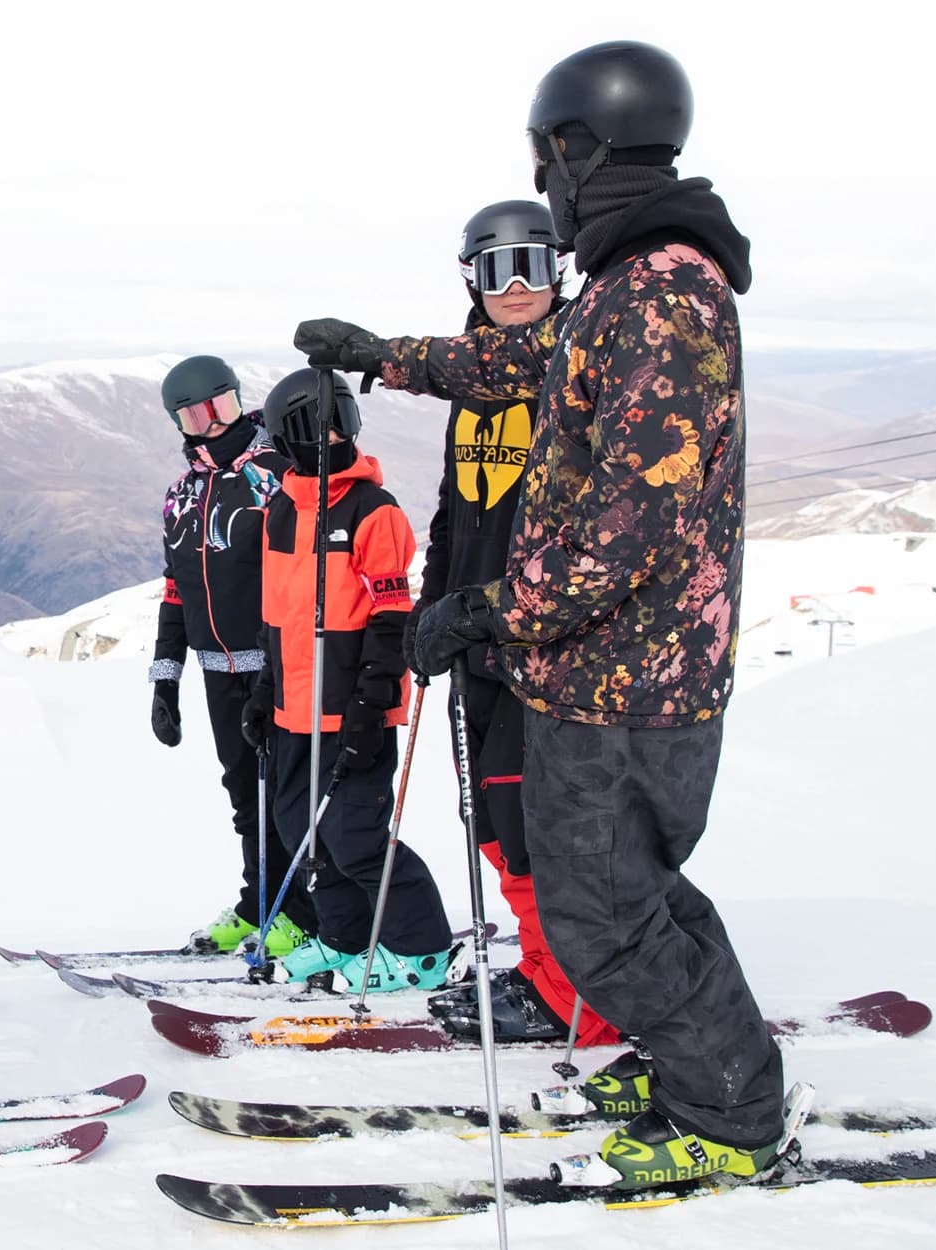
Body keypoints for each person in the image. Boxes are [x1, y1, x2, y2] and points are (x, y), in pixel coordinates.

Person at [298, 41, 781, 1185]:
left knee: (599, 911)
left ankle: (730, 1115)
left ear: (576, 150)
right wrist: (386, 361)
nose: (547, 193)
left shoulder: (658, 293)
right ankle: (699, 1063)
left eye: (546, 163)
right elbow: (518, 364)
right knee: (634, 891)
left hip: (625, 672)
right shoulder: (630, 283)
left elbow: (629, 523)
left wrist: (489, 610)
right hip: (617, 666)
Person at [392, 200, 621, 1051]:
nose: (517, 286)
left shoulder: (577, 365)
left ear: (561, 270)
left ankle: (575, 992)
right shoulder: (473, 388)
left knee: (537, 824)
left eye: (533, 264)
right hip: (476, 636)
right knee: (491, 818)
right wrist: (431, 604)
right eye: (496, 270)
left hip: (553, 646)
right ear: (470, 280)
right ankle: (542, 969)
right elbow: (459, 507)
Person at [240, 369, 458, 993]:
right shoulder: (281, 510)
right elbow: (276, 614)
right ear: (287, 436)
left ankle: (422, 950)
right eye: (314, 425)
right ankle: (346, 936)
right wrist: (263, 690)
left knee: (355, 835)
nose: (330, 436)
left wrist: (373, 698)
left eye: (340, 420)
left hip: (351, 707)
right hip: (292, 709)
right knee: (299, 831)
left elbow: (392, 615)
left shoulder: (373, 511)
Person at [148, 355, 316, 959]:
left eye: (221, 407)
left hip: (281, 666)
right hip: (220, 671)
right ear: (180, 424)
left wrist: (277, 665)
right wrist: (165, 679)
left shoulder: (277, 475)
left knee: (288, 796)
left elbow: (298, 577)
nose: (213, 424)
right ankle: (260, 902)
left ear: (240, 401)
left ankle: (302, 912)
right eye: (197, 415)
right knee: (246, 794)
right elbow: (176, 587)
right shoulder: (180, 497)